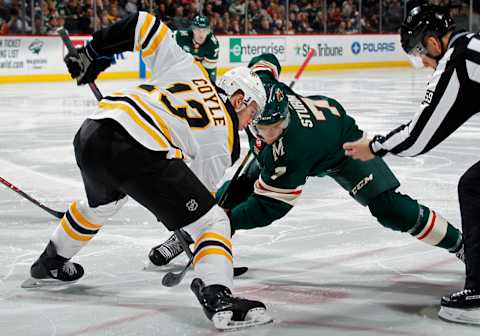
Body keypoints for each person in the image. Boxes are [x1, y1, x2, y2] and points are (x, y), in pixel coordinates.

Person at [22, 11, 271, 330]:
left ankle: (50, 261)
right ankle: (219, 296)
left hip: (93, 132)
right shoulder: (225, 139)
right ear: (238, 99)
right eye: (252, 111)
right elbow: (199, 209)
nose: (252, 122)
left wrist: (93, 52)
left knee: (102, 205)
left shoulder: (189, 68)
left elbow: (142, 24)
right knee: (213, 221)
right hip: (137, 150)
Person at [149, 53, 464, 277]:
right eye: (266, 127)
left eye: (279, 125)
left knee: (389, 208)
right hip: (306, 134)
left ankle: (461, 244)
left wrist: (226, 224)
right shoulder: (261, 90)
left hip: (340, 144)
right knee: (235, 188)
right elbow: (266, 62)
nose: (274, 132)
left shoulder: (291, 150)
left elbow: (269, 206)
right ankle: (185, 235)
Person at [342, 1, 480, 325]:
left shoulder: (456, 61)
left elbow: (419, 136)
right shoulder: (472, 44)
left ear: (433, 42)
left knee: (474, 188)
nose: (423, 62)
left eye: (419, 54)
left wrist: (375, 146)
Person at [175, 15, 219, 83]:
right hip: (183, 65)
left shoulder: (213, 45)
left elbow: (209, 68)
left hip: (202, 67)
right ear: (193, 29)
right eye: (198, 29)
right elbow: (166, 39)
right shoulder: (181, 35)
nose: (201, 34)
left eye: (204, 30)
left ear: (208, 31)